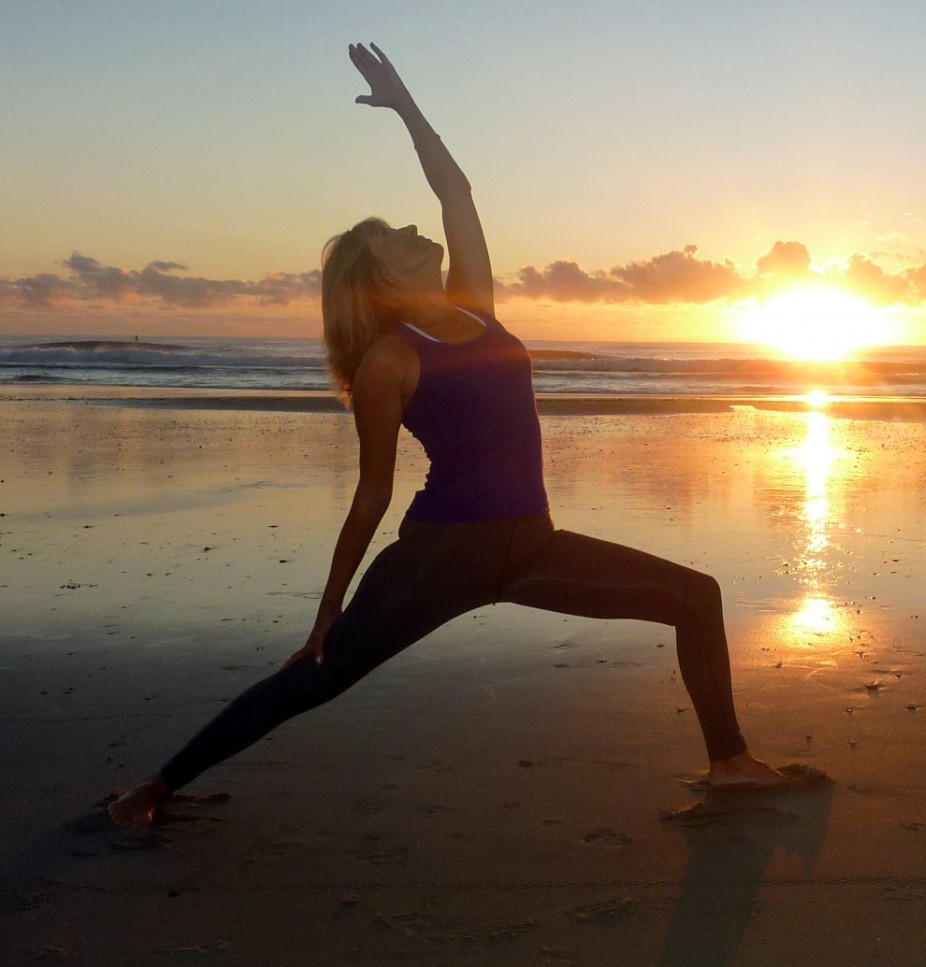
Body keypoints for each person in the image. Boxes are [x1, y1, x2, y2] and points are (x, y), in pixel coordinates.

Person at [108, 43, 781, 828]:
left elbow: (455, 186)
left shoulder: (478, 308)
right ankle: (154, 786)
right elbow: (371, 493)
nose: (414, 225)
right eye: (395, 233)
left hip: (532, 545)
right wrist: (326, 610)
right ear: (383, 277)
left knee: (694, 596)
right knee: (320, 675)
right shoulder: (389, 361)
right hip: (441, 554)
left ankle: (729, 761)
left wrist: (405, 106)